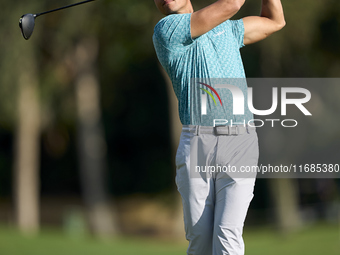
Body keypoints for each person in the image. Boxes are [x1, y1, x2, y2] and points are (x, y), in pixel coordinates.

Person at [152, 1, 285, 255]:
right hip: (198, 145)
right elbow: (232, 4)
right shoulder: (166, 30)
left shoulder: (228, 29)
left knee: (227, 237)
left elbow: (275, 21)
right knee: (200, 242)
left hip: (240, 142)